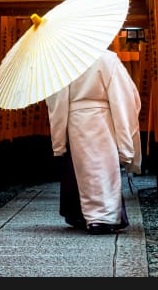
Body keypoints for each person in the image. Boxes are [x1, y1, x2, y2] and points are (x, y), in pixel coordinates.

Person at [45, 48, 142, 234]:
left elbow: (56, 102)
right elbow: (124, 96)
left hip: (74, 119)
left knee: (80, 168)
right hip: (103, 117)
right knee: (104, 167)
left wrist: (58, 139)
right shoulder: (107, 58)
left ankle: (81, 214)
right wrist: (125, 141)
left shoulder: (62, 60)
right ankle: (103, 217)